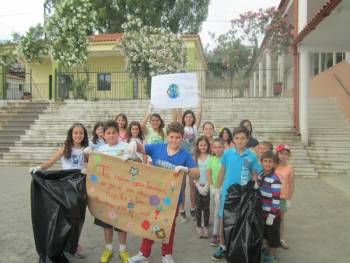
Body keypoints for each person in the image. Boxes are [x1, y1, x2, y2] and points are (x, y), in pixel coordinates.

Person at [128, 122, 200, 263]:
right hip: (154, 196)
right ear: (167, 136)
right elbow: (141, 147)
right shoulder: (158, 147)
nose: (174, 140)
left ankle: (167, 254)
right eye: (172, 137)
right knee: (150, 222)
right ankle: (144, 253)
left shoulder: (185, 154)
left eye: (178, 137)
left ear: (182, 138)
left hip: (172, 199)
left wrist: (187, 170)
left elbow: (197, 174)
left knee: (168, 226)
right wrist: (133, 144)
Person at [29, 123, 89, 258]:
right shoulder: (65, 149)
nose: (78, 135)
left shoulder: (86, 150)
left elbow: (91, 167)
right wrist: (39, 168)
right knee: (64, 218)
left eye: (81, 133)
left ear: (84, 135)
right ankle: (61, 245)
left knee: (77, 218)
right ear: (71, 134)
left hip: (79, 189)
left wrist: (87, 169)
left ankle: (74, 245)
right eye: (75, 133)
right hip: (65, 188)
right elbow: (50, 162)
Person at [91, 120, 140, 263]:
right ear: (104, 135)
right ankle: (108, 248)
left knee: (122, 222)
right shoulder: (100, 149)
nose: (111, 135)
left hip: (123, 192)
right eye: (108, 133)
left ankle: (123, 250)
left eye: (114, 133)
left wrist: (132, 157)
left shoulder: (126, 147)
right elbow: (95, 168)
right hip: (105, 193)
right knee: (106, 221)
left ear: (119, 134)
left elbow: (138, 163)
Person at [212, 126, 260, 261]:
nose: (240, 141)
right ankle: (222, 246)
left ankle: (237, 245)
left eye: (243, 138)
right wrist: (217, 189)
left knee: (241, 218)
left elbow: (255, 173)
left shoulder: (251, 155)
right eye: (237, 138)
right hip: (228, 192)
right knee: (223, 218)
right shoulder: (227, 154)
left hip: (244, 194)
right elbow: (222, 171)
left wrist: (256, 185)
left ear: (248, 139)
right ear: (233, 140)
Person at [172, 104, 202, 222]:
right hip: (181, 159)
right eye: (187, 117)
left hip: (192, 159)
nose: (189, 118)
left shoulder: (194, 128)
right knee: (182, 186)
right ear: (184, 118)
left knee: (192, 185)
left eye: (191, 117)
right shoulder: (180, 128)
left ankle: (193, 209)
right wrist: (176, 102)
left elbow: (200, 114)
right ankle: (182, 210)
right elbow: (176, 117)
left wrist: (200, 101)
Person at [257, 151, 282, 263]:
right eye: (265, 161)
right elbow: (258, 185)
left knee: (273, 237)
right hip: (262, 212)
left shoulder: (275, 180)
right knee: (265, 234)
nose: (267, 164)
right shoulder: (261, 174)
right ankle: (266, 251)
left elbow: (276, 200)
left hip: (272, 215)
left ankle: (272, 256)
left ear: (275, 164)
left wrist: (272, 215)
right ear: (261, 162)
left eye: (270, 161)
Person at [275, 144, 294, 250]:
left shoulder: (290, 168)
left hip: (282, 197)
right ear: (277, 154)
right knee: (270, 218)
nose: (283, 156)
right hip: (272, 196)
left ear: (289, 156)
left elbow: (291, 185)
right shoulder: (273, 165)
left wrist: (288, 199)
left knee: (281, 218)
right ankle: (268, 238)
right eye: (281, 153)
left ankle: (281, 239)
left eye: (286, 154)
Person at [206, 138, 225, 246]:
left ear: (223, 148)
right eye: (215, 147)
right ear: (212, 148)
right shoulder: (211, 159)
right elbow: (208, 174)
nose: (217, 149)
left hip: (224, 188)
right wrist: (212, 187)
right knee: (216, 211)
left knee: (220, 211)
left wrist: (220, 187)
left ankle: (217, 234)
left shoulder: (226, 159)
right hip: (214, 189)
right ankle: (216, 233)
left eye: (219, 147)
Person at [193, 136, 211, 238]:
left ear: (208, 146)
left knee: (206, 207)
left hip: (207, 185)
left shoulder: (211, 157)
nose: (203, 147)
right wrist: (197, 185)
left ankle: (205, 227)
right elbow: (192, 172)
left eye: (205, 145)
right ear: (197, 146)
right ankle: (199, 226)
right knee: (199, 207)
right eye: (201, 145)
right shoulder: (195, 157)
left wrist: (208, 185)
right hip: (198, 185)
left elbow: (211, 172)